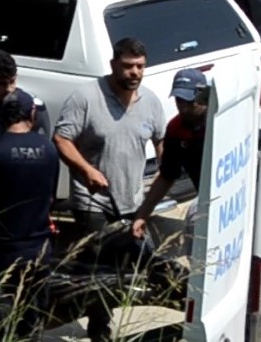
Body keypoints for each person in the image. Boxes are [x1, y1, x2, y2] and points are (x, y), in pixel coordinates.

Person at [52, 37, 166, 342]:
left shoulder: (152, 102)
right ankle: (99, 328)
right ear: (114, 64)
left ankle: (99, 313)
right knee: (101, 269)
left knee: (131, 264)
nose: (134, 73)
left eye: (140, 67)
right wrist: (87, 170)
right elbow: (62, 139)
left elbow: (160, 140)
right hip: (93, 201)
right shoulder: (87, 98)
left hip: (132, 201)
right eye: (128, 66)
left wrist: (164, 175)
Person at [0, 91, 59, 341]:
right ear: (33, 114)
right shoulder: (48, 148)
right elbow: (51, 197)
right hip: (41, 247)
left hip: (3, 251)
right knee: (32, 320)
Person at [131, 69, 209, 250]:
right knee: (195, 225)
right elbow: (167, 176)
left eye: (189, 102)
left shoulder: (221, 120)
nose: (184, 108)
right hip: (205, 196)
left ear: (204, 96)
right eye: (179, 101)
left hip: (234, 194)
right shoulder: (176, 129)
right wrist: (143, 214)